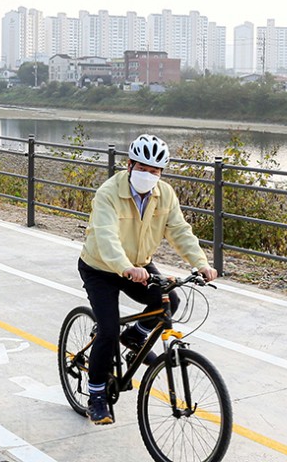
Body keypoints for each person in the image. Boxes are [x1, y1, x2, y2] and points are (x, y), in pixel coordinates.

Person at [78, 134, 217, 425]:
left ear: (161, 173)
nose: (148, 175)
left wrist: (201, 264)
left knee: (170, 299)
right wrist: (125, 267)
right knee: (107, 328)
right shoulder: (108, 193)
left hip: (138, 264)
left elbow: (180, 231)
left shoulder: (164, 194)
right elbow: (105, 236)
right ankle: (97, 396)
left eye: (154, 171)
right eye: (142, 168)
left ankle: (135, 336)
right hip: (101, 267)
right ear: (129, 165)